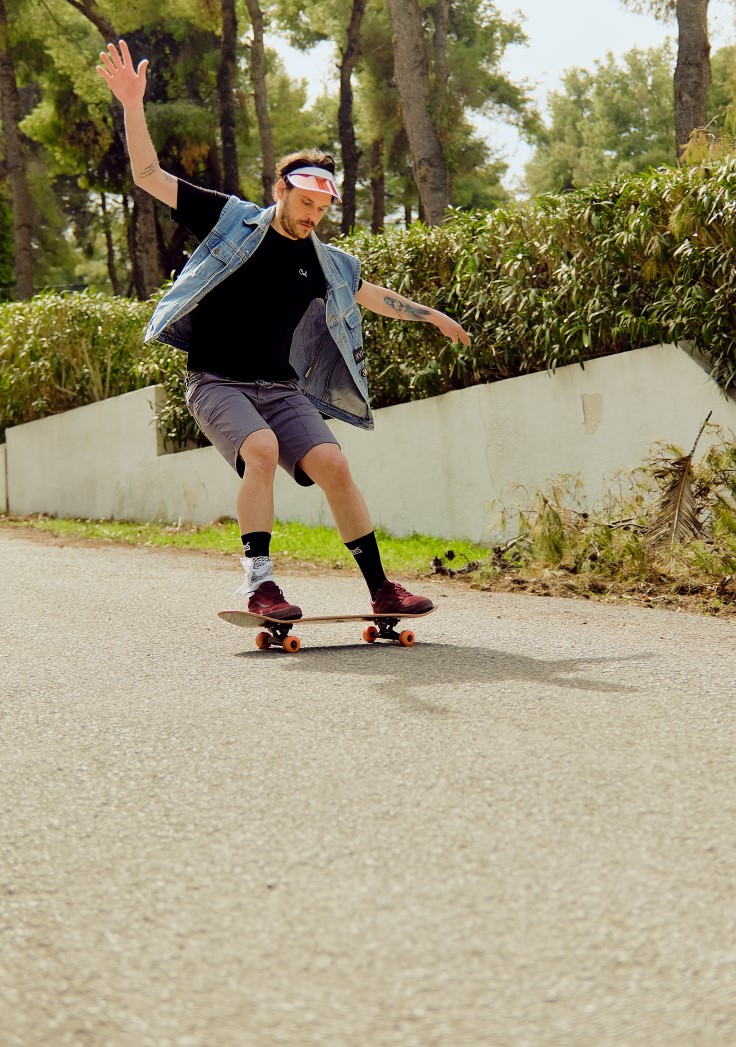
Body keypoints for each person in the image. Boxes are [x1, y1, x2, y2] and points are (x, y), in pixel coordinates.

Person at [97, 40, 470, 620]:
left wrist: (434, 315)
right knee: (262, 450)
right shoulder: (229, 219)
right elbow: (148, 175)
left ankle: (381, 588)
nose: (312, 216)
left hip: (280, 387)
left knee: (335, 467)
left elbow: (371, 295)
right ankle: (261, 585)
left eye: (322, 209)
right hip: (216, 382)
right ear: (281, 190)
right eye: (305, 203)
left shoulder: (325, 262)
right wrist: (131, 103)